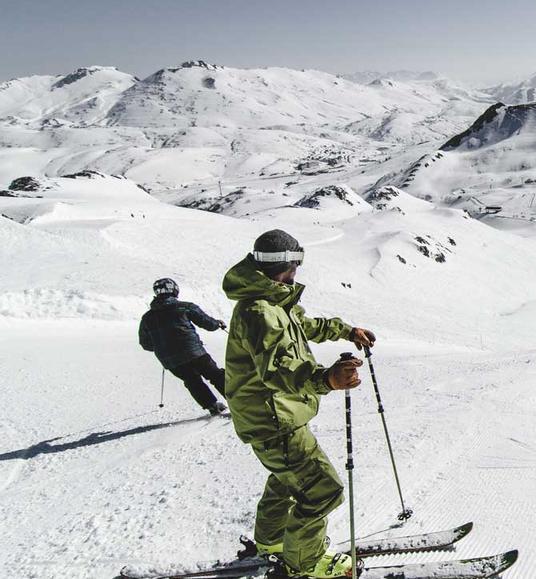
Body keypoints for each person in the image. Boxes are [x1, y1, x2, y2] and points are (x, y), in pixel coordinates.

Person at [222, 229, 376, 579]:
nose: (297, 272)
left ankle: (274, 542)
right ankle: (305, 564)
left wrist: (345, 330)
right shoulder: (259, 310)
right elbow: (277, 370)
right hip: (273, 417)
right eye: (294, 265)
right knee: (323, 490)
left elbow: (302, 325)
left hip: (273, 416)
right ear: (283, 265)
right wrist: (326, 380)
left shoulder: (271, 297)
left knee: (287, 478)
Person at [138, 277, 228, 416]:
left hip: (170, 360)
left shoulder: (147, 318)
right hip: (194, 352)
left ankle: (212, 406)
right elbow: (208, 324)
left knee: (192, 381)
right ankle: (238, 402)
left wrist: (161, 346)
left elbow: (146, 344)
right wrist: (218, 324)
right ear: (175, 290)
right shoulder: (185, 307)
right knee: (215, 374)